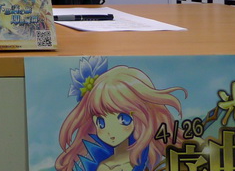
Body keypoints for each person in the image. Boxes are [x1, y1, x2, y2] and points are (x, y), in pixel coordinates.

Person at [56, 57, 185, 171]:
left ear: (140, 115)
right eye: (101, 122)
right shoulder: (103, 166)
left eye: (123, 119)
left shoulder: (153, 157)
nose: (111, 131)